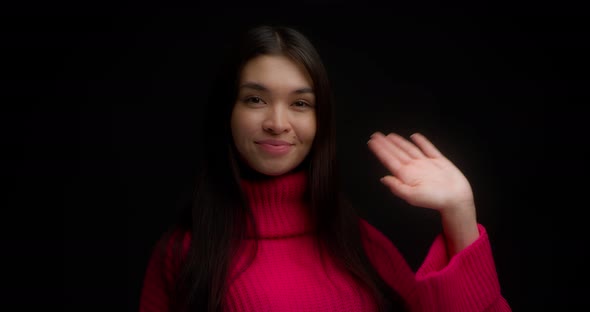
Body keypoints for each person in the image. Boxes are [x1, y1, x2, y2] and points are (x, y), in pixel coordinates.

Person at [139, 25, 512, 312]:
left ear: (321, 121)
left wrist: (459, 211)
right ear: (228, 112)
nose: (277, 122)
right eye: (255, 99)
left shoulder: (359, 243)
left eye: (300, 104)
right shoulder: (184, 252)